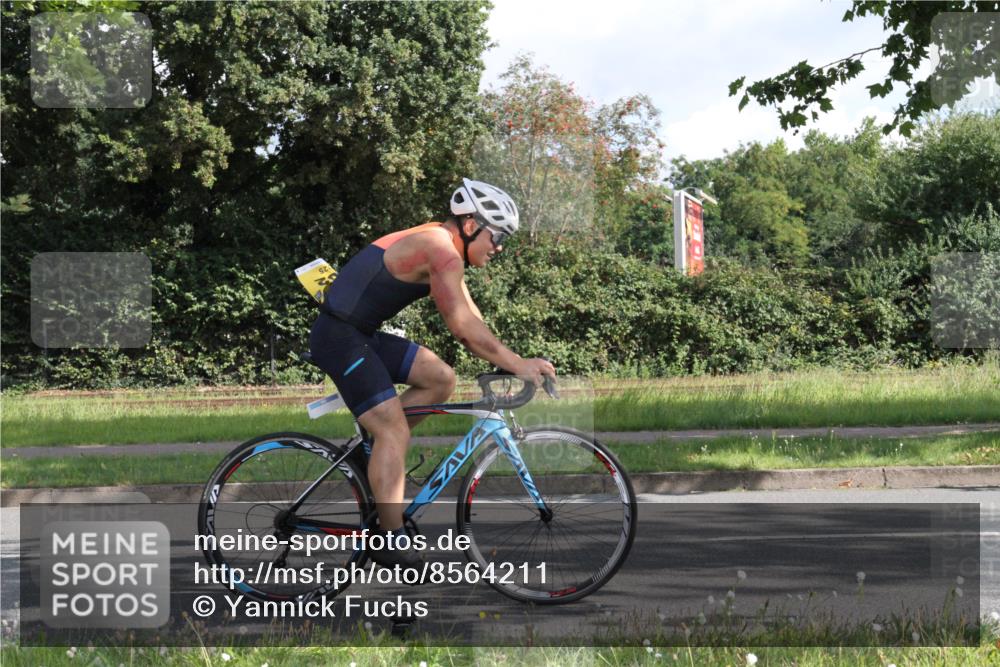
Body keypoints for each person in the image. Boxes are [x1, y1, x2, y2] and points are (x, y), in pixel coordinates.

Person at [309, 178, 556, 571]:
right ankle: (389, 540)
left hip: (359, 334)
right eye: (497, 236)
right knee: (394, 430)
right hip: (340, 338)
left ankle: (376, 454)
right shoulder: (440, 251)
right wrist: (518, 364)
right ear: (471, 225)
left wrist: (508, 359)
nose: (499, 247)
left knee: (440, 378)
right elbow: (462, 327)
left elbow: (472, 316)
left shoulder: (443, 244)